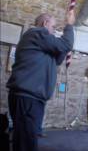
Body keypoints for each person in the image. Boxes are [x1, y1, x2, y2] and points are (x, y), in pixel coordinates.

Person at [6, 11, 75, 151]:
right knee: (26, 142)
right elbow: (64, 45)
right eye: (53, 27)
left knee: (27, 138)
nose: (54, 30)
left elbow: (57, 59)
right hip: (27, 97)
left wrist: (65, 48)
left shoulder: (41, 41)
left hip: (32, 97)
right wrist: (69, 25)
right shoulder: (36, 33)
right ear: (44, 24)